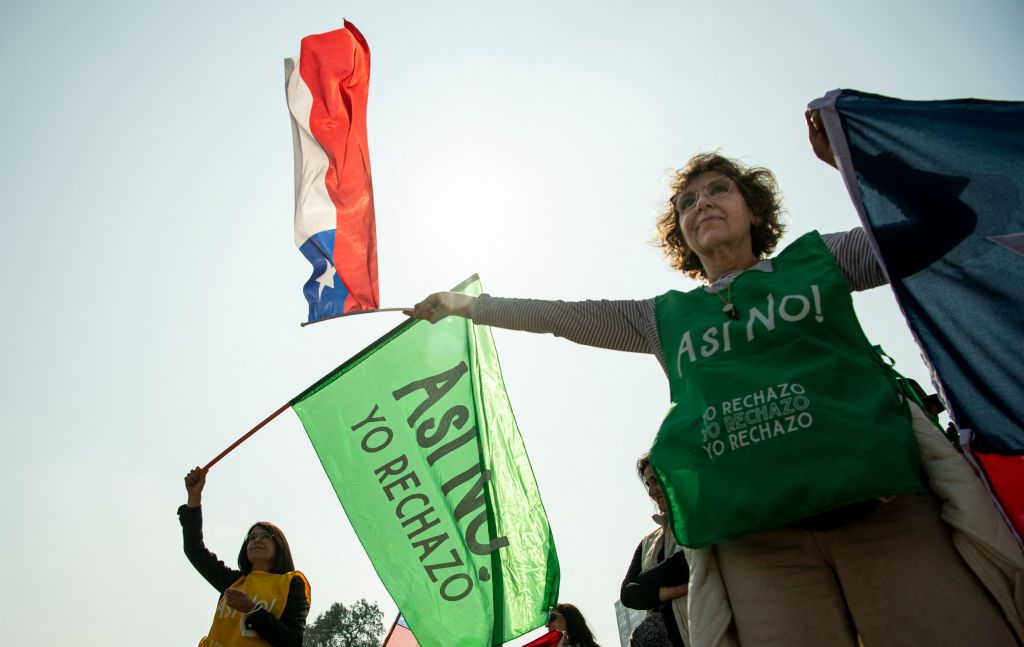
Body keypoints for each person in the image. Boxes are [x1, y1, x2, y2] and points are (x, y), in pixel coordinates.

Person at [406, 113, 1024, 646]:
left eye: (718, 190)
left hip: (886, 517)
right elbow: (560, 319)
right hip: (761, 553)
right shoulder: (663, 319)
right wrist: (468, 307)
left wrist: (854, 160)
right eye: (687, 202)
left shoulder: (823, 262)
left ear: (753, 210)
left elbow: (948, 221)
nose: (702, 203)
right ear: (681, 236)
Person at [179, 467, 311, 646]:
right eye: (252, 537)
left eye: (265, 537)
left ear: (280, 546)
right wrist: (194, 497)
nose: (257, 540)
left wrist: (253, 610)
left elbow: (292, 641)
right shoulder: (232, 581)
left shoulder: (292, 585)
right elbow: (194, 549)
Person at [620, 453, 688, 647]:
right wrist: (667, 592)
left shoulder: (697, 523)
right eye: (648, 484)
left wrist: (646, 578)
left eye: (655, 481)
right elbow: (627, 594)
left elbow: (686, 563)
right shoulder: (647, 543)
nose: (651, 492)